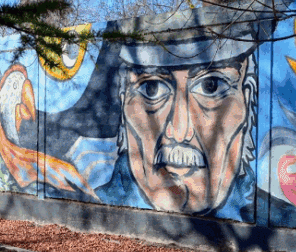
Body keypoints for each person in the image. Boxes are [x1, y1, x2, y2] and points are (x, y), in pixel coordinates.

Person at [97, 27, 258, 217]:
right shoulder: (94, 205)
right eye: (151, 88)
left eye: (211, 86)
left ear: (247, 100)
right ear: (124, 105)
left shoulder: (276, 215)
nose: (179, 131)